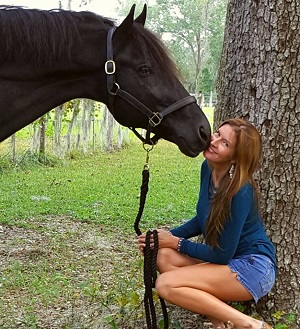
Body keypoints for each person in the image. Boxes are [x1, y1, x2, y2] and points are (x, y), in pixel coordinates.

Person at [138, 118, 276, 329]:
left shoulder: (241, 191)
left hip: (253, 267)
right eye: (218, 134)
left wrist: (175, 242)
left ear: (235, 158)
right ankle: (219, 323)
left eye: (225, 143)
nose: (214, 141)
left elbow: (222, 254)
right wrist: (160, 240)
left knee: (165, 284)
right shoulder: (208, 169)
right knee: (161, 255)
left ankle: (251, 325)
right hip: (227, 264)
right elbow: (201, 220)